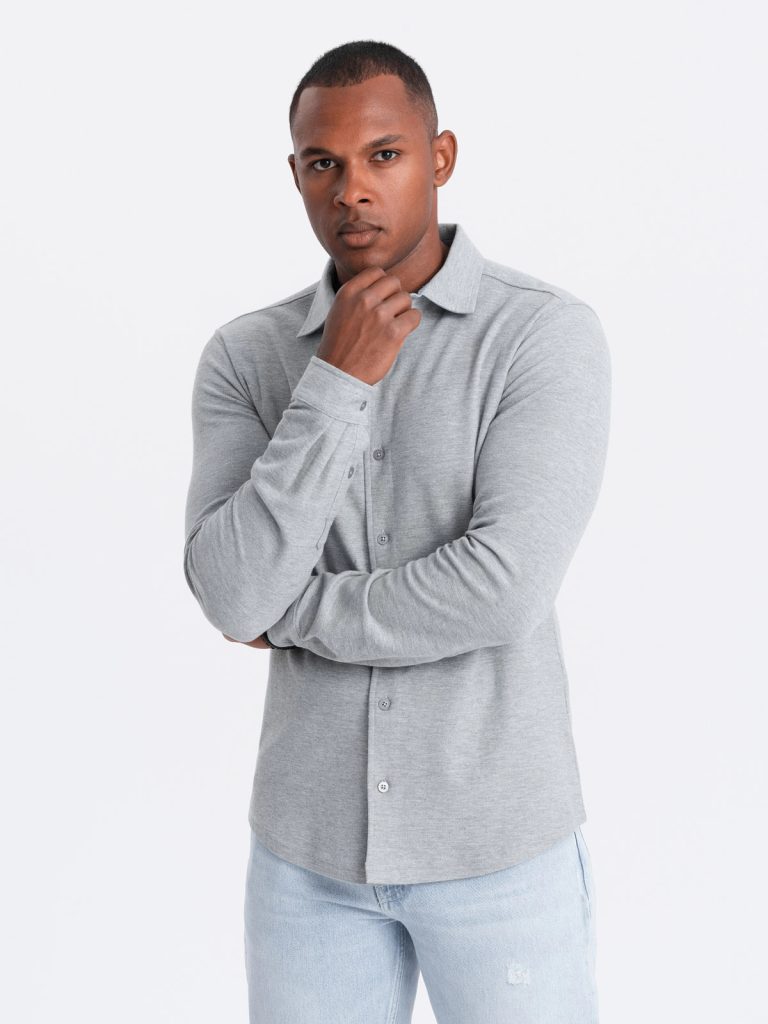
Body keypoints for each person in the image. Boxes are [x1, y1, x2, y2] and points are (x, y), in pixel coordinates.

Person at [183, 38, 610, 1024]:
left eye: (384, 154)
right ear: (296, 175)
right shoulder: (247, 357)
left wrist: (293, 612)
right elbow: (230, 591)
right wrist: (336, 380)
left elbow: (502, 589)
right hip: (307, 858)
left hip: (498, 849)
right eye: (323, 163)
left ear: (440, 156)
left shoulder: (541, 335)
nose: (353, 190)